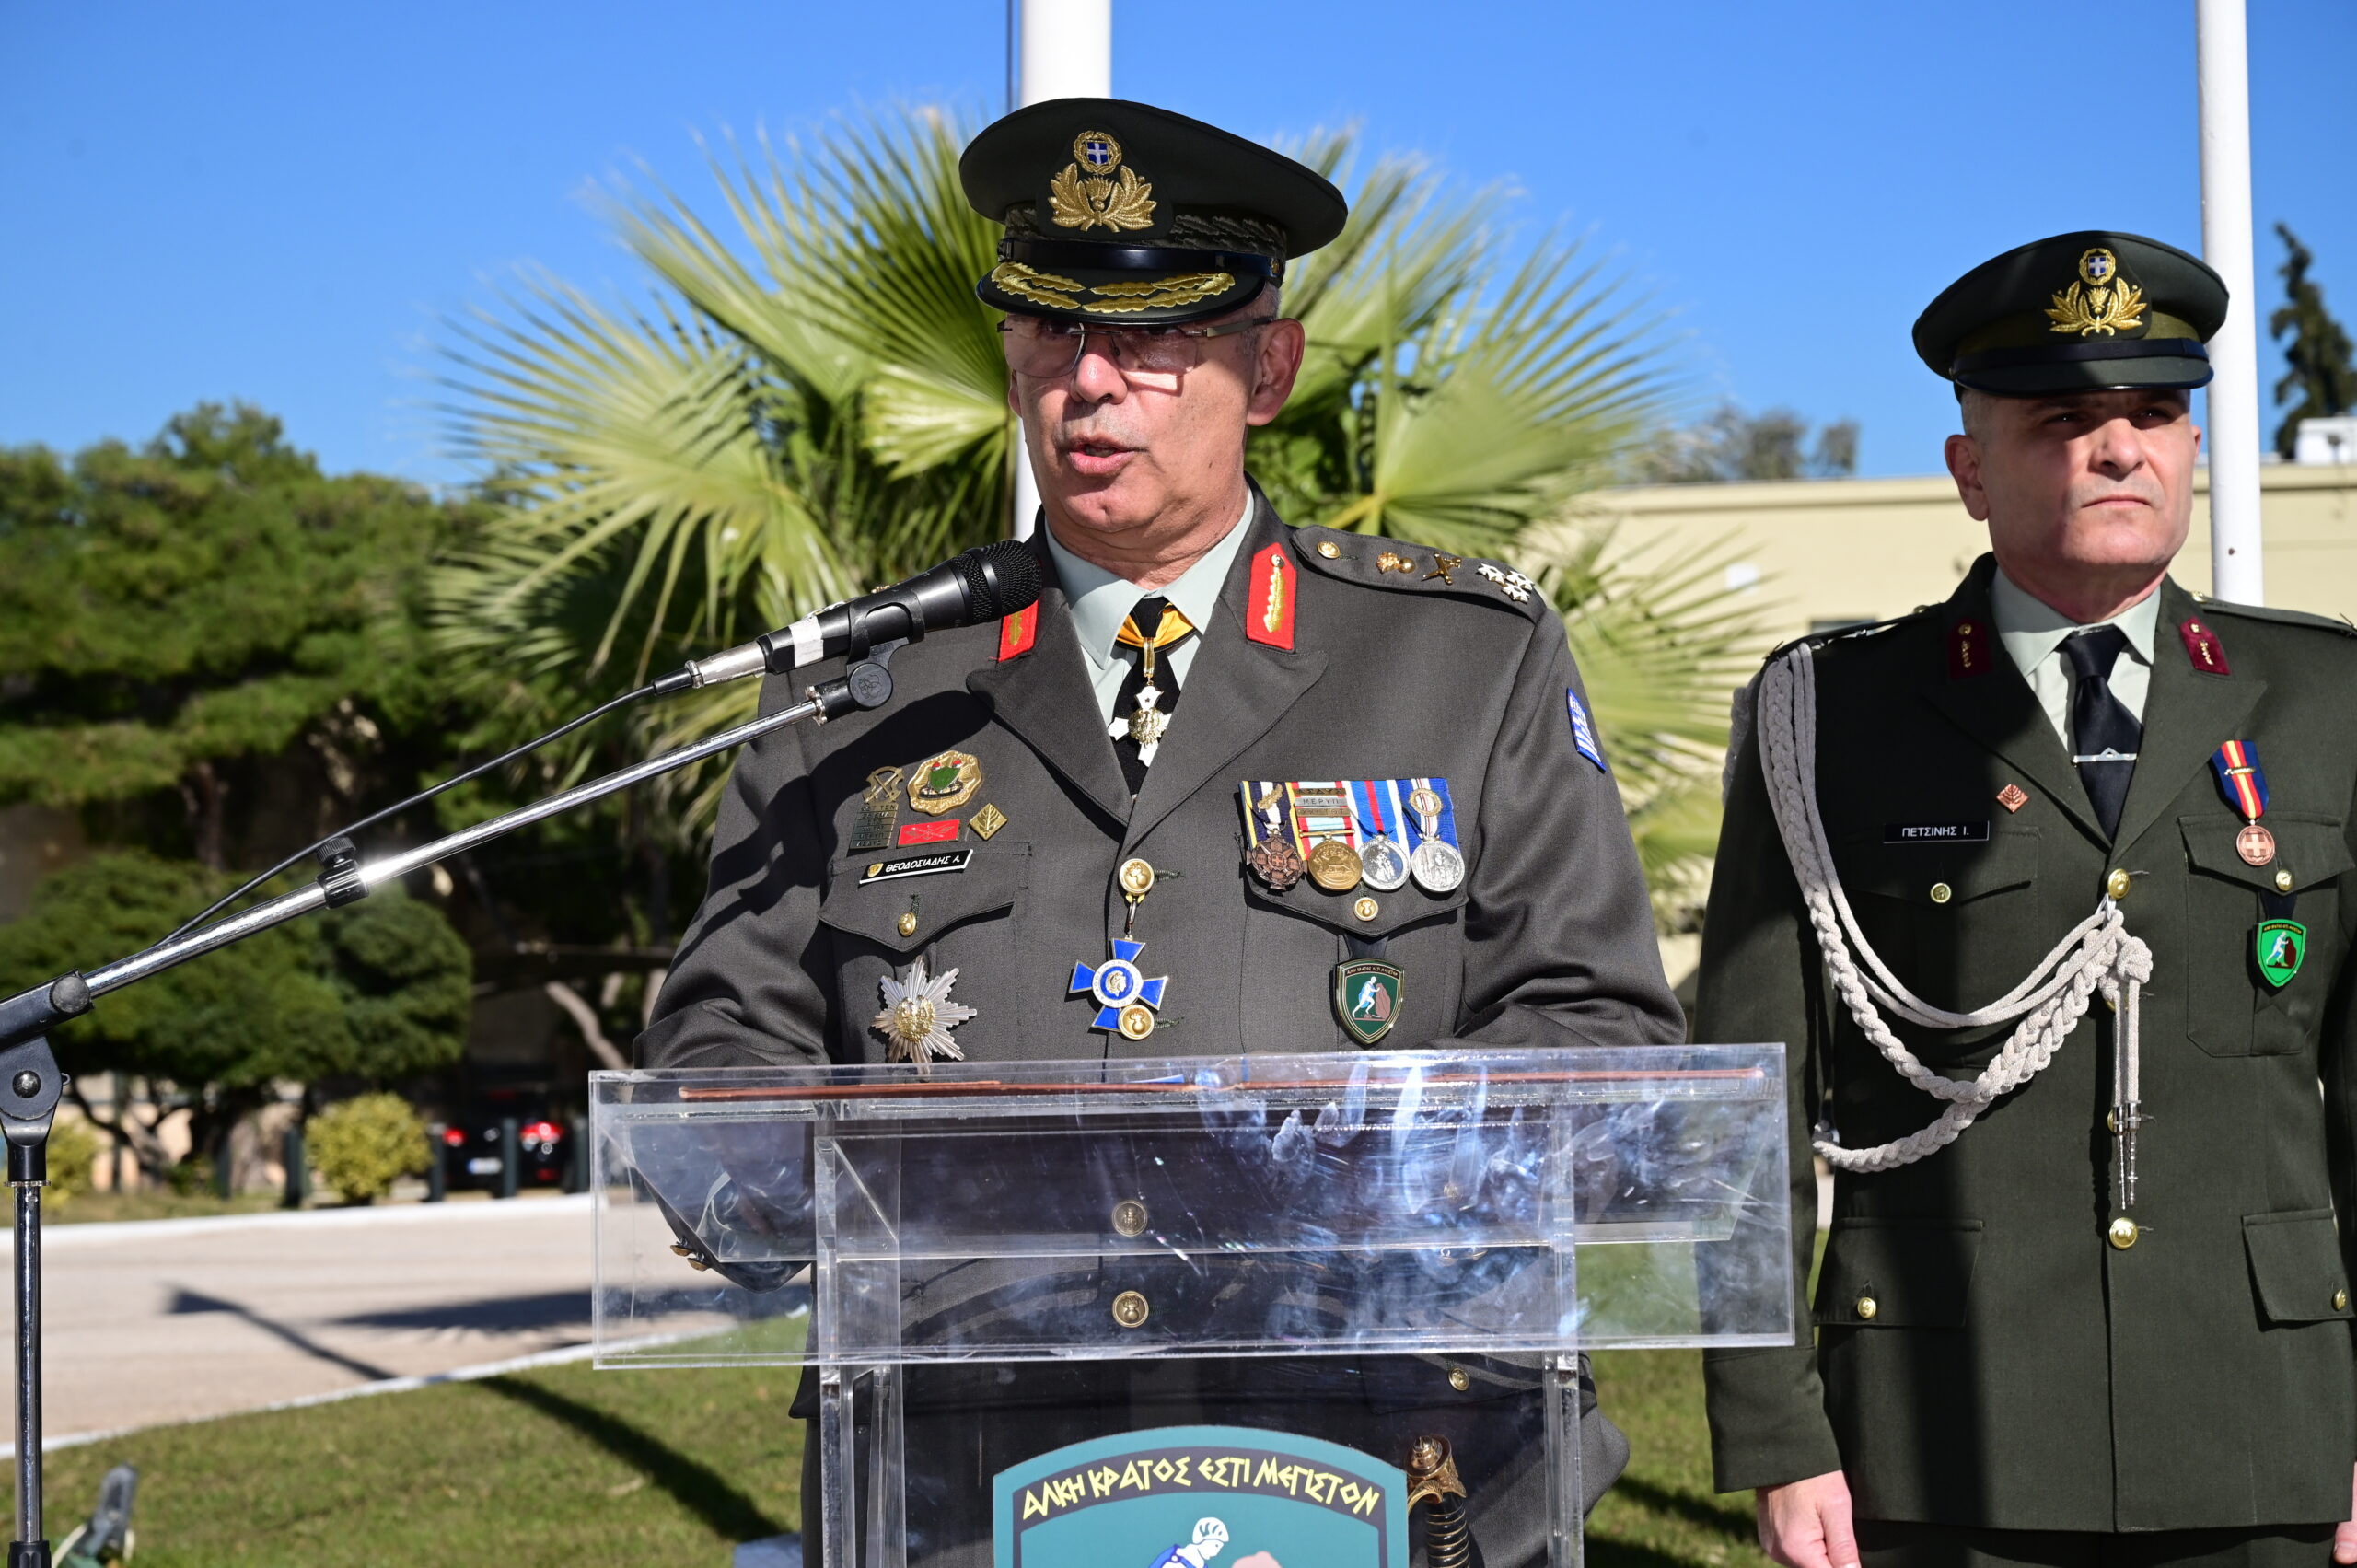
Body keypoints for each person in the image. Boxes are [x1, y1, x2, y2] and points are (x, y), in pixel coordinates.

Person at [638, 97, 1683, 1562]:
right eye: (1051, 334)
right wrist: (805, 1179)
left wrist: (1346, 1176)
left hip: (1379, 1453)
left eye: (1153, 341)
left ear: (1269, 370)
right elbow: (721, 1040)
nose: (1089, 384)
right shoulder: (867, 689)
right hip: (967, 1467)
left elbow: (1601, 1034)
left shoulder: (1460, 659)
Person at [1698, 230, 2357, 1568]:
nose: (2120, 451)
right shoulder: (1828, 717)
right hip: (1940, 1435)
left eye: (2154, 414)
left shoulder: (2328, 701)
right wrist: (1774, 1432)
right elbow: (1742, 1106)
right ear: (1969, 470)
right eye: (2064, 420)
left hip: (2263, 1421)